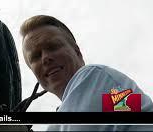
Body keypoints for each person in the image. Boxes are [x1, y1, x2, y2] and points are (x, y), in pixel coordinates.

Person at [20, 15, 153, 131]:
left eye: (53, 46)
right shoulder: (106, 98)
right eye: (36, 56)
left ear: (77, 52)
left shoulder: (94, 77)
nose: (45, 58)